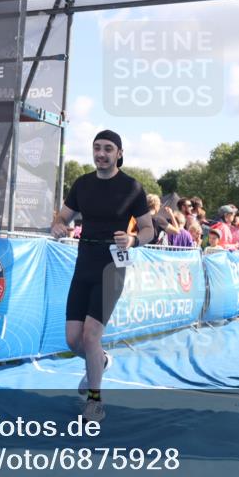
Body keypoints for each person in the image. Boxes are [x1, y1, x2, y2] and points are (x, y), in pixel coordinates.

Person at [50, 130, 153, 422]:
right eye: (97, 148)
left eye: (108, 148)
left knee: (91, 335)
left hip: (112, 267)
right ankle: (102, 361)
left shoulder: (132, 187)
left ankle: (94, 401)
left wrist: (133, 239)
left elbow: (149, 229)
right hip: (84, 265)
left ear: (119, 153)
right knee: (73, 340)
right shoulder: (82, 184)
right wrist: (57, 226)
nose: (101, 153)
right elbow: (62, 218)